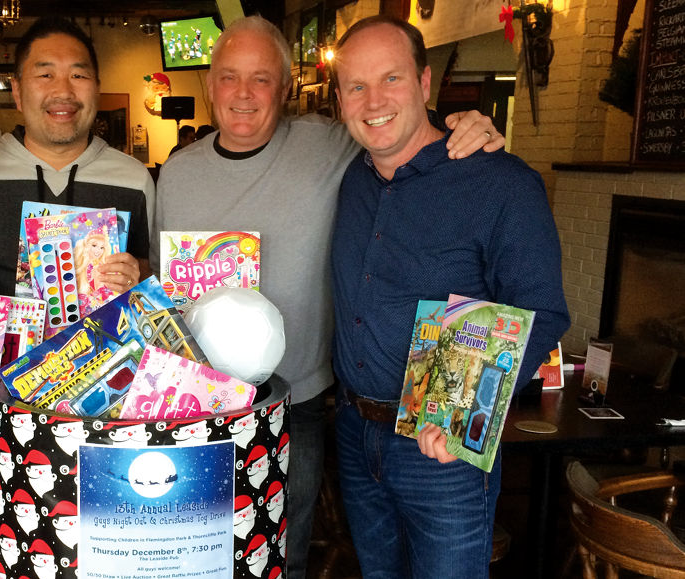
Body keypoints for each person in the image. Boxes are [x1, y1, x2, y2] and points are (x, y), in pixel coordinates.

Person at [152, 15, 504, 579]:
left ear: (286, 88)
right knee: (188, 554)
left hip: (301, 403)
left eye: (261, 78)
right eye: (228, 77)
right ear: (209, 83)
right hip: (193, 406)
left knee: (282, 553)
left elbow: (393, 120)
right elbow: (161, 291)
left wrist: (465, 123)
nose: (243, 95)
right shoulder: (175, 174)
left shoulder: (328, 143)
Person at [329, 16, 570, 577]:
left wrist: (469, 415)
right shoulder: (352, 177)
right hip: (353, 430)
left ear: (424, 83)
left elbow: (542, 308)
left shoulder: (502, 183)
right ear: (340, 99)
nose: (374, 101)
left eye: (391, 78)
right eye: (356, 86)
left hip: (443, 452)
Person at [0, 17, 153, 297]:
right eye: (45, 75)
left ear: (97, 89)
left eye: (78, 75)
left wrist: (138, 277)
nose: (63, 91)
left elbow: (154, 274)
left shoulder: (135, 179)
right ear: (17, 91)